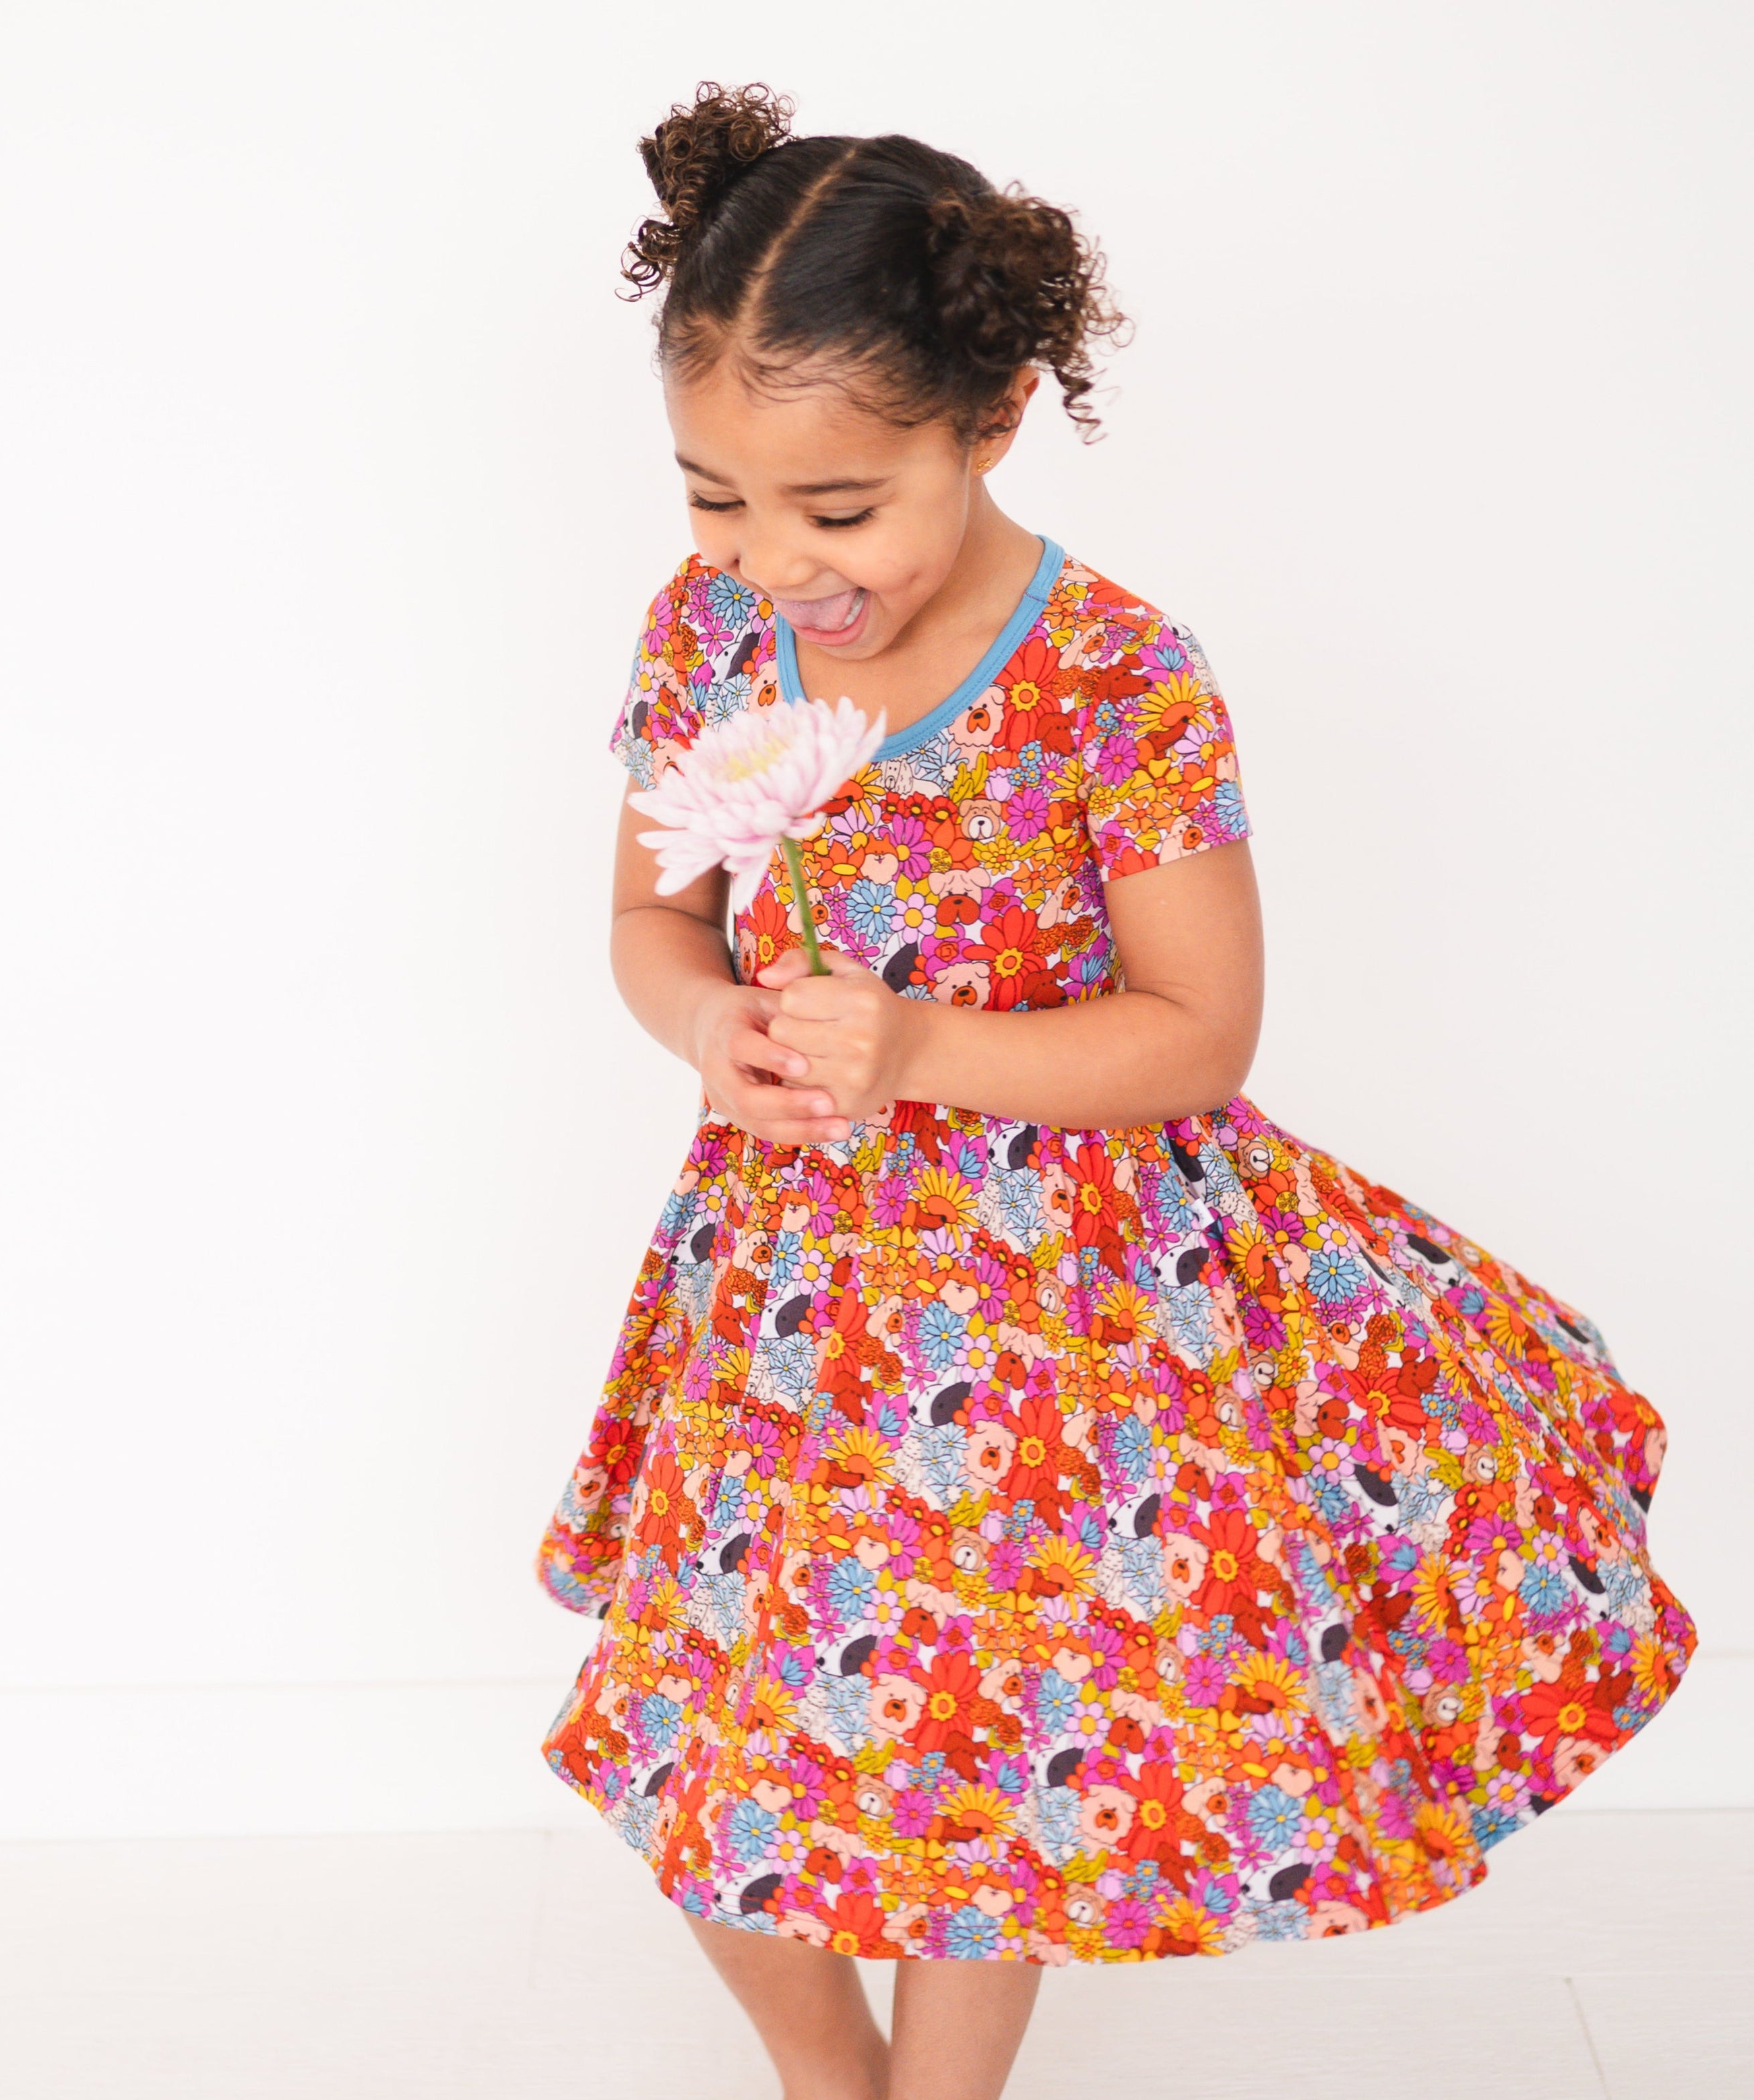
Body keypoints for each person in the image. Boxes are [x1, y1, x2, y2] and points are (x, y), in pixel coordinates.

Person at [534, 83, 1695, 2100]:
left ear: (986, 422)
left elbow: (1197, 1031)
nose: (773, 561)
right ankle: (835, 2077)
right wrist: (703, 1020)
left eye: (836, 510)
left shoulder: (1119, 679)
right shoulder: (711, 635)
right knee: (704, 1734)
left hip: (1058, 1314)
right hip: (796, 1296)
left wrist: (917, 1047)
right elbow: (654, 924)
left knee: (982, 1758)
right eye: (712, 494)